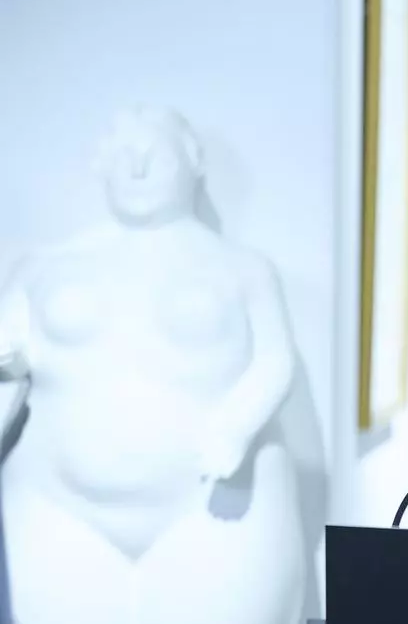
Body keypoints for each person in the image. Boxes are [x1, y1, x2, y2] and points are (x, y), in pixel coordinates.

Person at [0, 106, 311, 624]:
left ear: (194, 161)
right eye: (124, 156)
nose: (138, 169)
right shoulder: (42, 269)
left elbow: (275, 362)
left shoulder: (242, 268)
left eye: (155, 156)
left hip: (213, 505)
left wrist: (235, 427)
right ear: (100, 165)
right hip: (57, 506)